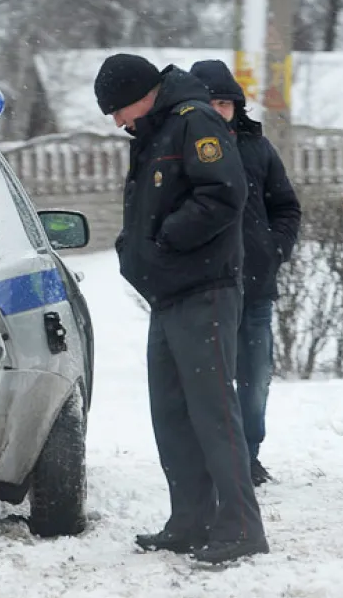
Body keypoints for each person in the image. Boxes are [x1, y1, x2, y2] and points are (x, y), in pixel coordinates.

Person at [94, 53, 268, 564]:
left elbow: (222, 193)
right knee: (172, 413)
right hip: (170, 293)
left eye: (116, 110)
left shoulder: (195, 122)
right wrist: (137, 251)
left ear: (138, 95)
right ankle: (190, 521)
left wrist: (166, 241)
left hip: (204, 288)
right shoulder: (158, 131)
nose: (117, 122)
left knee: (213, 412)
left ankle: (240, 528)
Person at [189, 59, 302, 487]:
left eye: (225, 102)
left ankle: (248, 455)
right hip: (203, 288)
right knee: (209, 384)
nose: (218, 110)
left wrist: (274, 249)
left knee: (254, 385)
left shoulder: (258, 148)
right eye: (210, 102)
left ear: (236, 105)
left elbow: (286, 206)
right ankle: (215, 460)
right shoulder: (182, 149)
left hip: (255, 288)